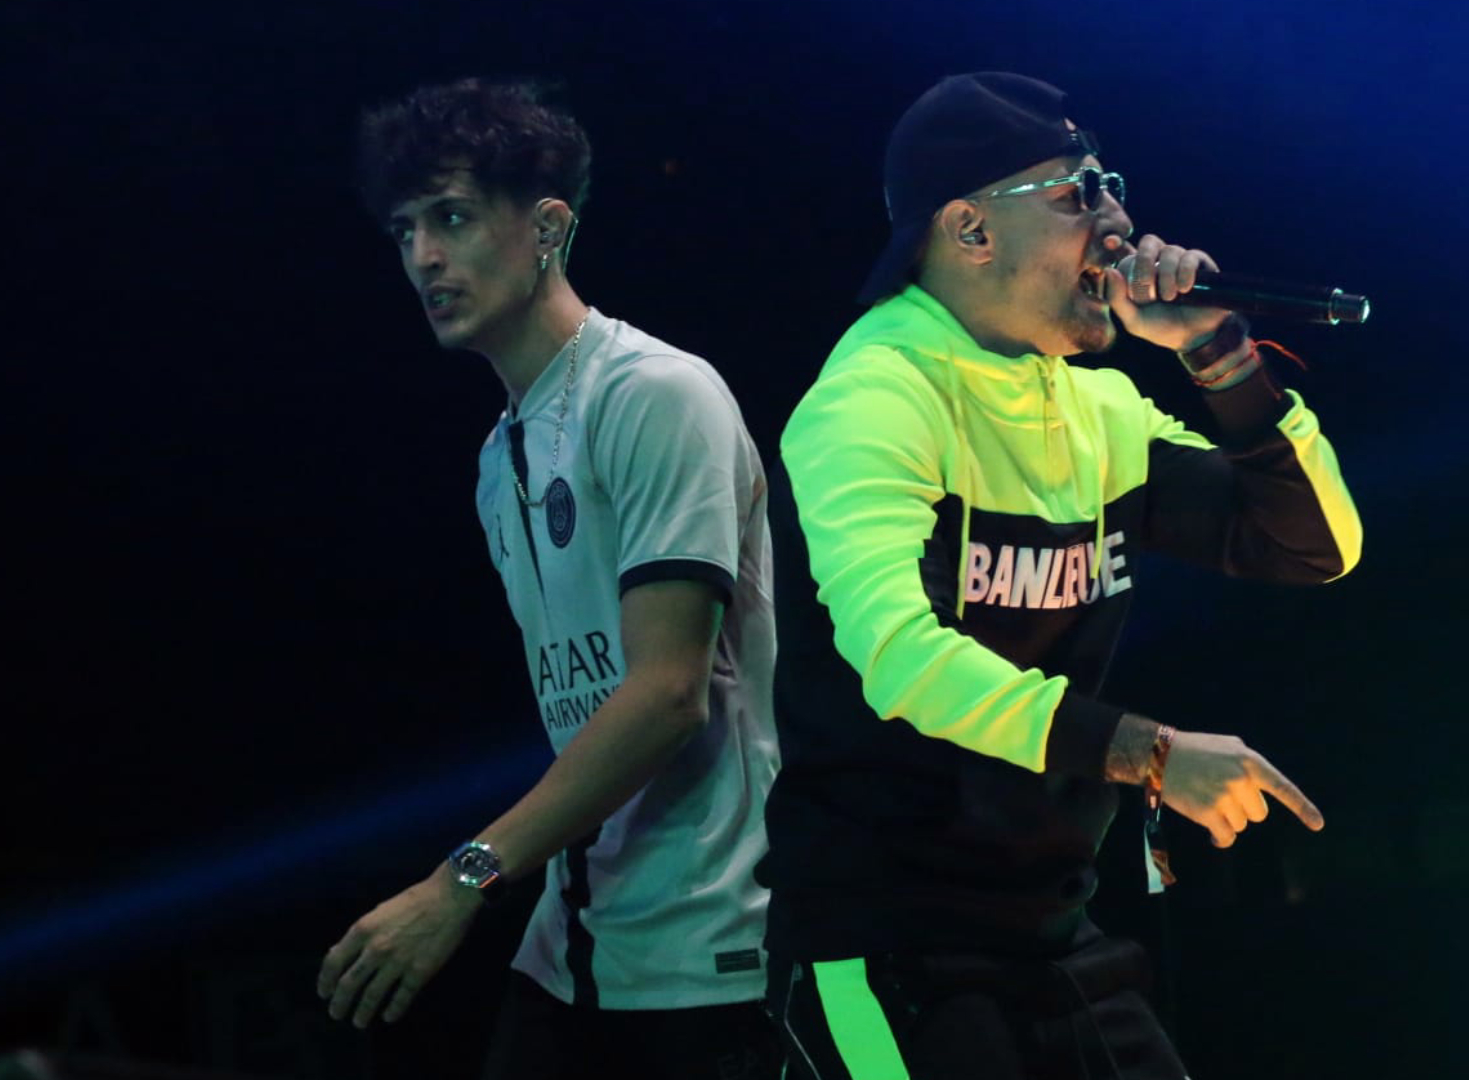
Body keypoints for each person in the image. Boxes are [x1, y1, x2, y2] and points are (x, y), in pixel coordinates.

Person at [758, 72, 1363, 1079]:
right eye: (1080, 194)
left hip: (1055, 937)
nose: (1120, 225)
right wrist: (1151, 753)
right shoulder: (872, 400)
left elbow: (1313, 546)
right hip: (885, 947)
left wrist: (1219, 355)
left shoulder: (1098, 411)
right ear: (970, 230)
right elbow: (902, 660)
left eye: (1112, 187)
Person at [315, 78, 781, 1079]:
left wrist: (460, 881)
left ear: (547, 228)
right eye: (404, 230)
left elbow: (667, 693)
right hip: (572, 950)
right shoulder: (499, 457)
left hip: (707, 954)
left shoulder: (654, 394)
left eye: (452, 218)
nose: (423, 256)